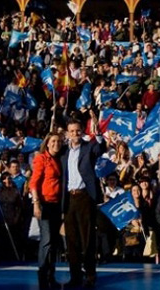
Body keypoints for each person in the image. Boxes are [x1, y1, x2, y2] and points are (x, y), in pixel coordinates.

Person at [61, 119, 105, 288]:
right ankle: (75, 276)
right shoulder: (64, 151)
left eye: (78, 130)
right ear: (68, 133)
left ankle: (90, 274)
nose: (75, 134)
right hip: (69, 199)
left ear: (82, 131)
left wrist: (99, 134)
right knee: (71, 240)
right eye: (72, 131)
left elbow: (100, 148)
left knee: (87, 238)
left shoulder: (89, 147)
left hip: (85, 197)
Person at [29, 133, 63, 289]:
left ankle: (51, 275)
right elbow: (33, 182)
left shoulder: (60, 159)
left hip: (57, 205)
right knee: (46, 239)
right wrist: (36, 203)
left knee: (54, 241)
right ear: (47, 144)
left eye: (59, 141)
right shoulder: (41, 158)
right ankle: (42, 273)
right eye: (53, 141)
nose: (56, 143)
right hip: (44, 203)